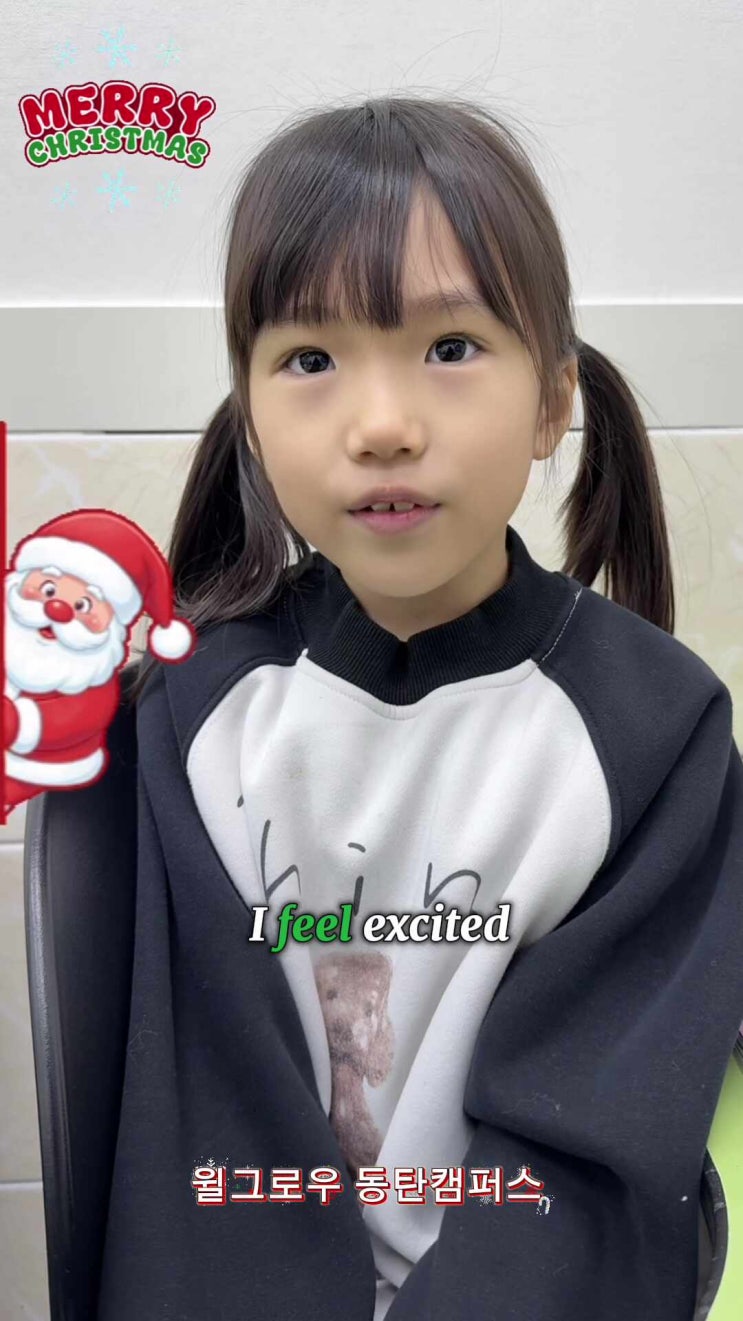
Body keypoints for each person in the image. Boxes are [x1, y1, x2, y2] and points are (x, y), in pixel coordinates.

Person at [93, 96, 743, 1320]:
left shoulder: (656, 731)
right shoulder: (192, 714)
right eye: (310, 360)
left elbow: (593, 1160)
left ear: (551, 400)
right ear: (249, 420)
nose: (383, 425)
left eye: (449, 347)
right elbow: (194, 1132)